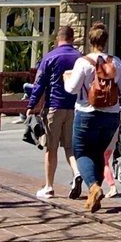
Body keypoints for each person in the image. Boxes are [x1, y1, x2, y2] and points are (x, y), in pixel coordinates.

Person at [62, 22, 121, 214]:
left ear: (90, 41)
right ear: (105, 40)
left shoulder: (83, 62)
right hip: (111, 115)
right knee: (98, 153)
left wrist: (66, 78)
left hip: (86, 114)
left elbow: (72, 89)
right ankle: (94, 195)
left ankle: (94, 188)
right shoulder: (116, 62)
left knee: (81, 152)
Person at [26, 24, 83, 200]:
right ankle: (76, 173)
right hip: (74, 107)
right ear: (72, 38)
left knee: (51, 147)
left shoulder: (50, 57)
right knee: (70, 147)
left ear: (57, 39)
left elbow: (39, 83)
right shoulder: (80, 58)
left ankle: (49, 186)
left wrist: (31, 104)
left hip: (54, 106)